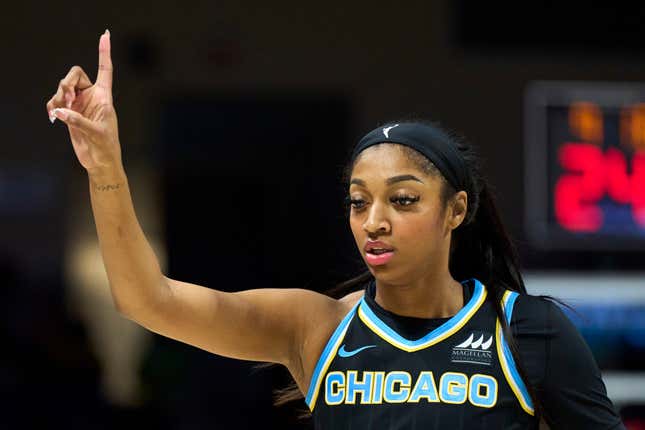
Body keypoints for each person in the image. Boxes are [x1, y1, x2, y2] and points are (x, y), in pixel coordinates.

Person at [46, 31, 625, 429]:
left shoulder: (526, 332)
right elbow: (148, 298)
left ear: (455, 210)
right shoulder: (317, 328)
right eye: (357, 202)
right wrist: (106, 168)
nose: (374, 221)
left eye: (402, 200)